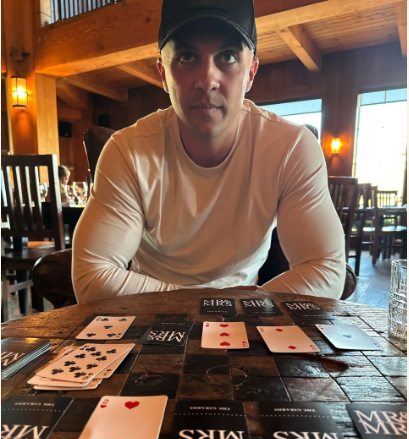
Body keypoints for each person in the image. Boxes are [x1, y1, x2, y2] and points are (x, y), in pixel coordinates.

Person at [72, 0, 345, 304]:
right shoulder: (127, 151)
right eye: (187, 56)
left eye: (227, 57)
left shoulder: (291, 147)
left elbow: (326, 270)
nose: (207, 81)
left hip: (247, 316)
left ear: (251, 73)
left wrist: (233, 306)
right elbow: (91, 277)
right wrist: (217, 304)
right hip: (149, 312)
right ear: (163, 73)